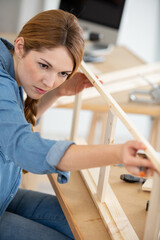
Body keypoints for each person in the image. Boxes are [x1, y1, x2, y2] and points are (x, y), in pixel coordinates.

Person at [0, 9, 155, 240]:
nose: (50, 81)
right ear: (21, 46)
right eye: (44, 66)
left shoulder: (13, 63)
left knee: (92, 230)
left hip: (6, 193)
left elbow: (10, 127)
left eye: (63, 73)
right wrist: (118, 152)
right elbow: (21, 146)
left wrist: (58, 93)